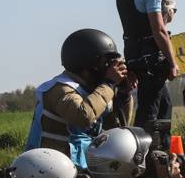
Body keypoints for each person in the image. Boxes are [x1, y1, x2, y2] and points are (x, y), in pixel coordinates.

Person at [26, 29, 127, 168]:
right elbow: (83, 116)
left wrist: (123, 93)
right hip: (45, 169)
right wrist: (109, 83)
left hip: (79, 166)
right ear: (88, 65)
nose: (108, 69)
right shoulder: (60, 89)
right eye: (105, 63)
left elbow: (114, 131)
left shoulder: (95, 91)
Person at [116, 0, 180, 147]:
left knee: (164, 106)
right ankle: (146, 165)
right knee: (149, 116)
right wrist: (172, 62)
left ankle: (163, 156)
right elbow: (159, 30)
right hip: (150, 59)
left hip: (133, 54)